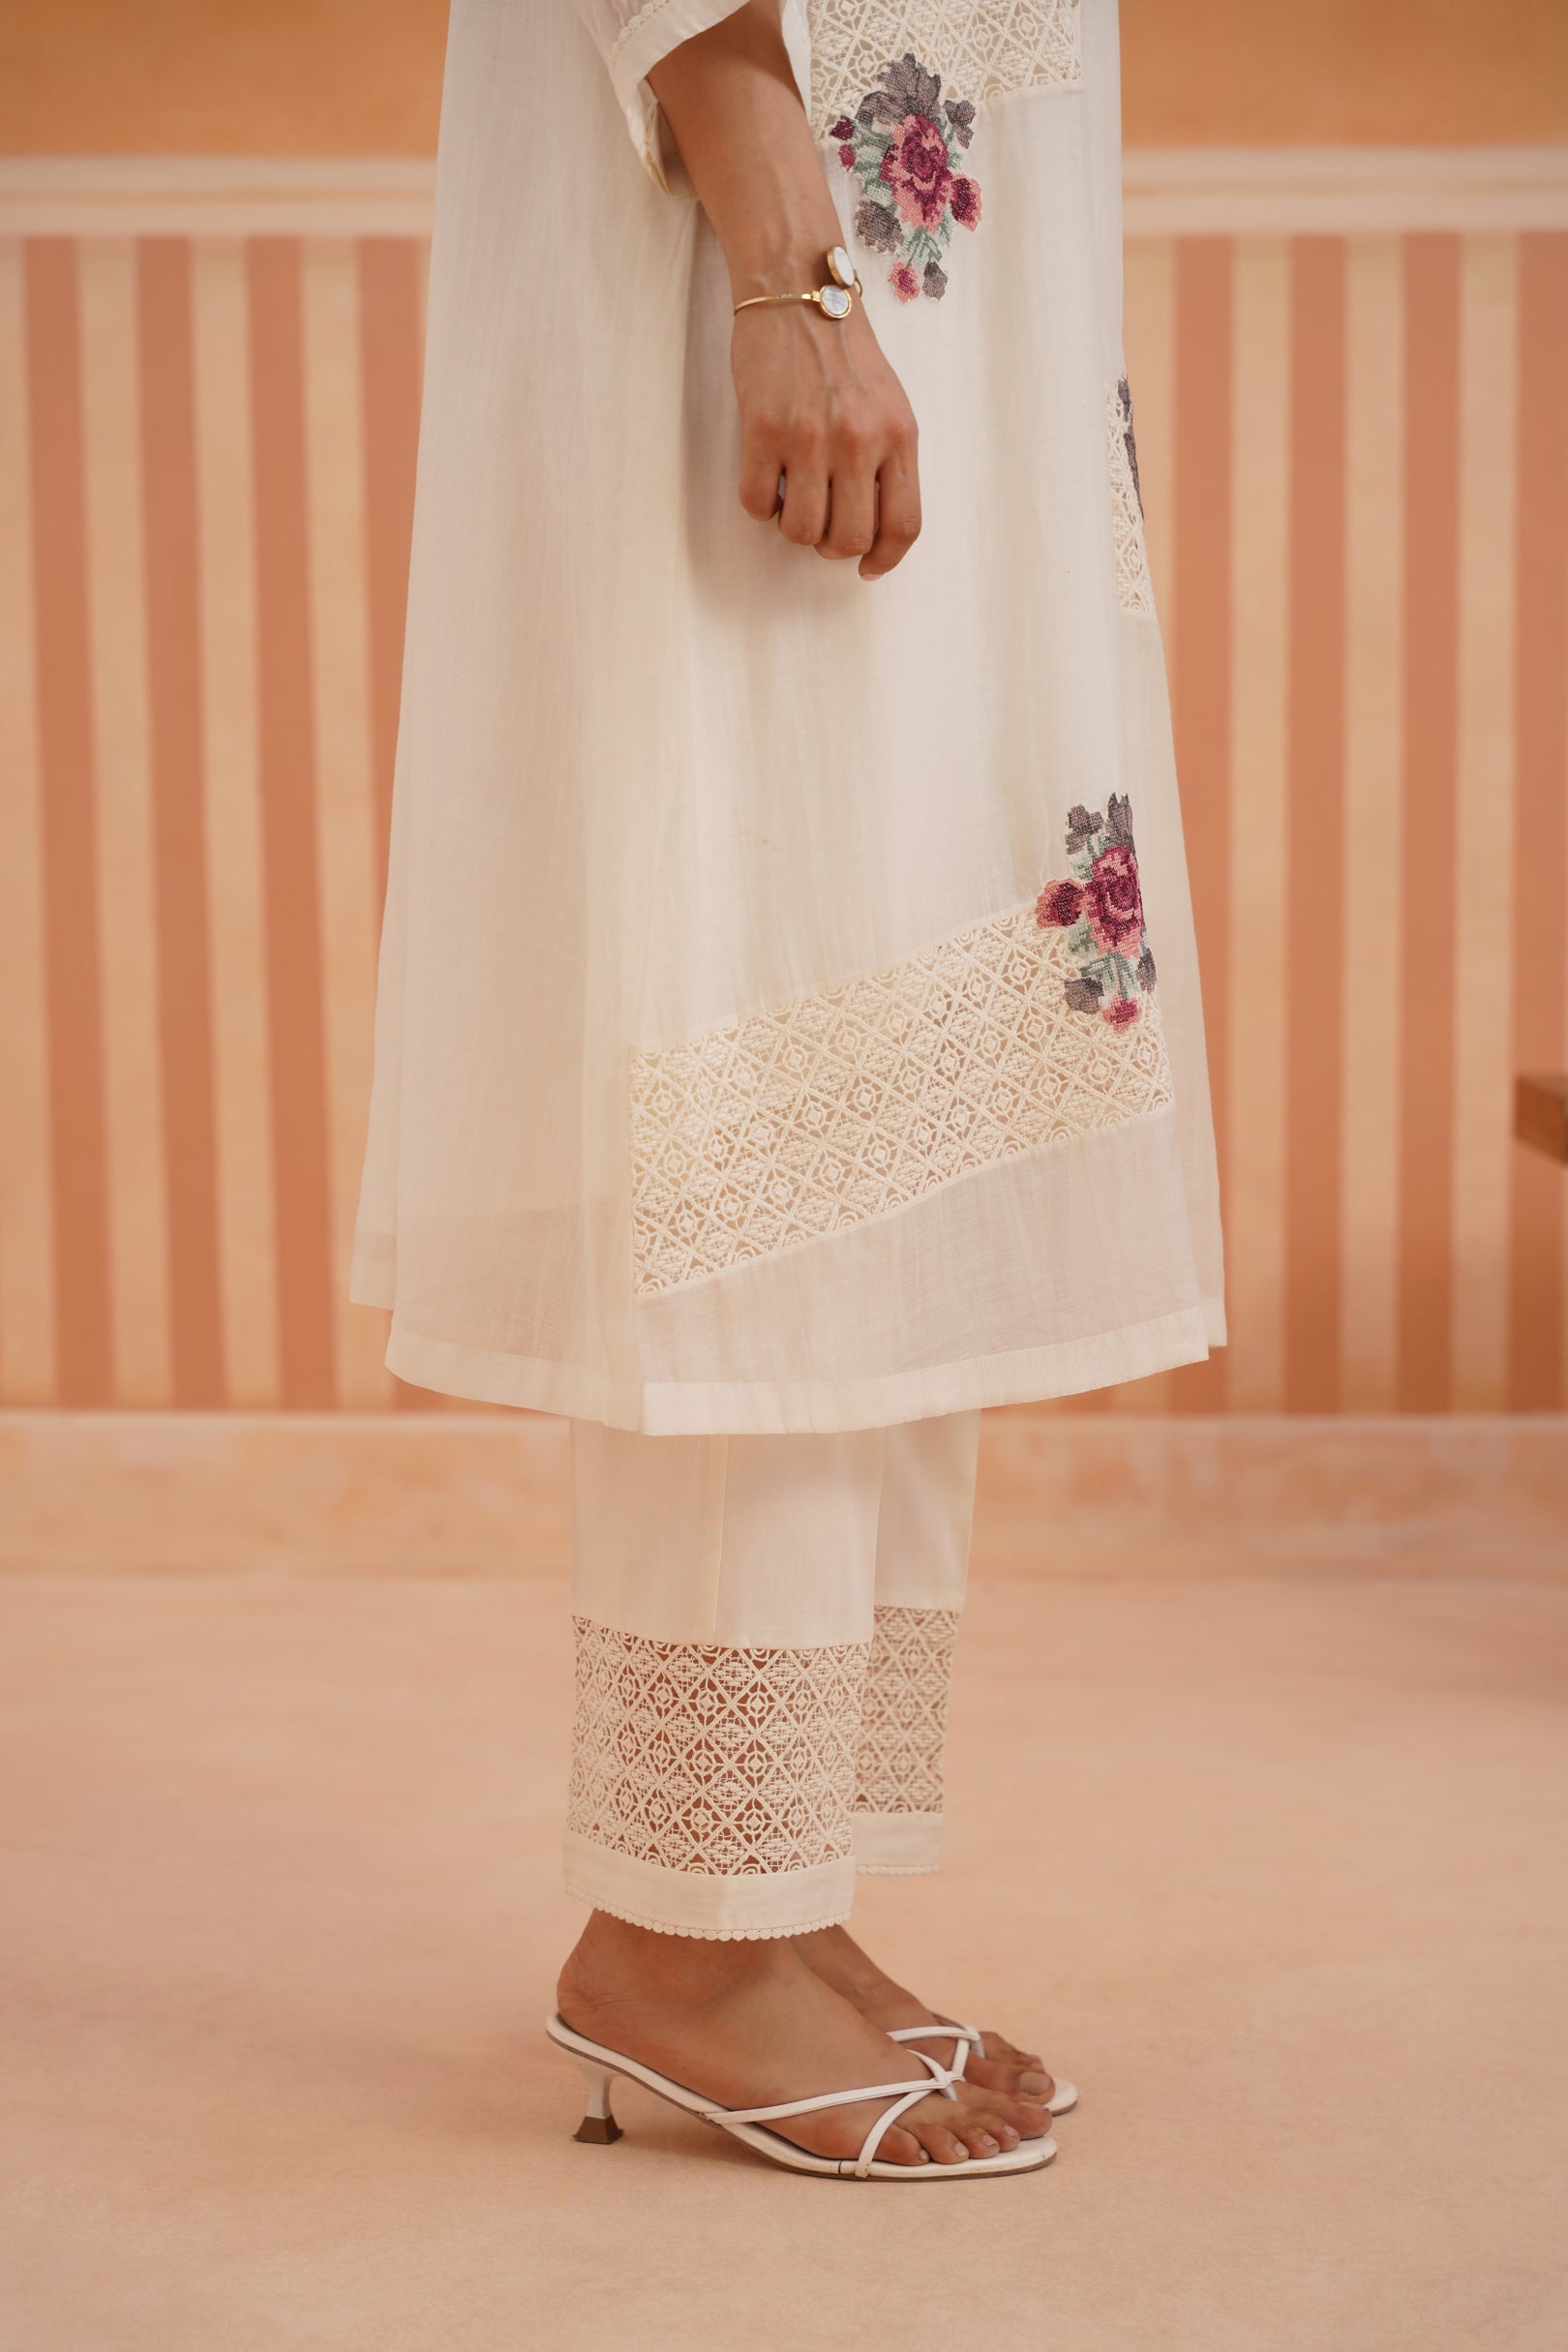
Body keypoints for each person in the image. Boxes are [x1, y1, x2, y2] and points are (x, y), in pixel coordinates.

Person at [352, 0, 1223, 2180]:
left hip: (923, 256)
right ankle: (680, 1932)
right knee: (766, 1069)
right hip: (765, 229)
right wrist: (788, 270)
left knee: (899, 1083)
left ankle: (774, 1885)